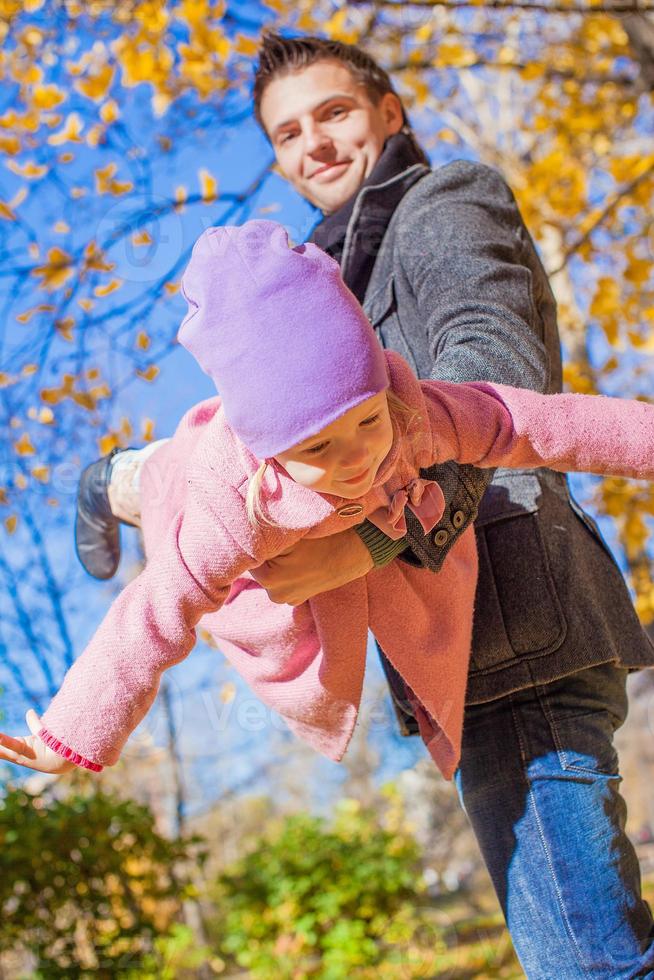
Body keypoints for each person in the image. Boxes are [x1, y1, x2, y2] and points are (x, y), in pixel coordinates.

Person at [72, 34, 654, 977]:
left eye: (334, 113)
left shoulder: (442, 201)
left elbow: (490, 365)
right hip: (476, 646)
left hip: (514, 620)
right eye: (288, 133)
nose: (317, 144)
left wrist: (372, 548)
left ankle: (113, 480)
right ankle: (117, 480)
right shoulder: (326, 282)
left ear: (389, 112)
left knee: (590, 964)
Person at [2, 220, 653, 789]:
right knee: (160, 487)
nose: (356, 457)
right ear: (274, 451)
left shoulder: (409, 412)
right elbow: (151, 617)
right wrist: (70, 735)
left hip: (309, 505)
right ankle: (110, 474)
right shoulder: (227, 507)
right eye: (318, 446)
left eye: (366, 422)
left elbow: (540, 424)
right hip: (193, 485)